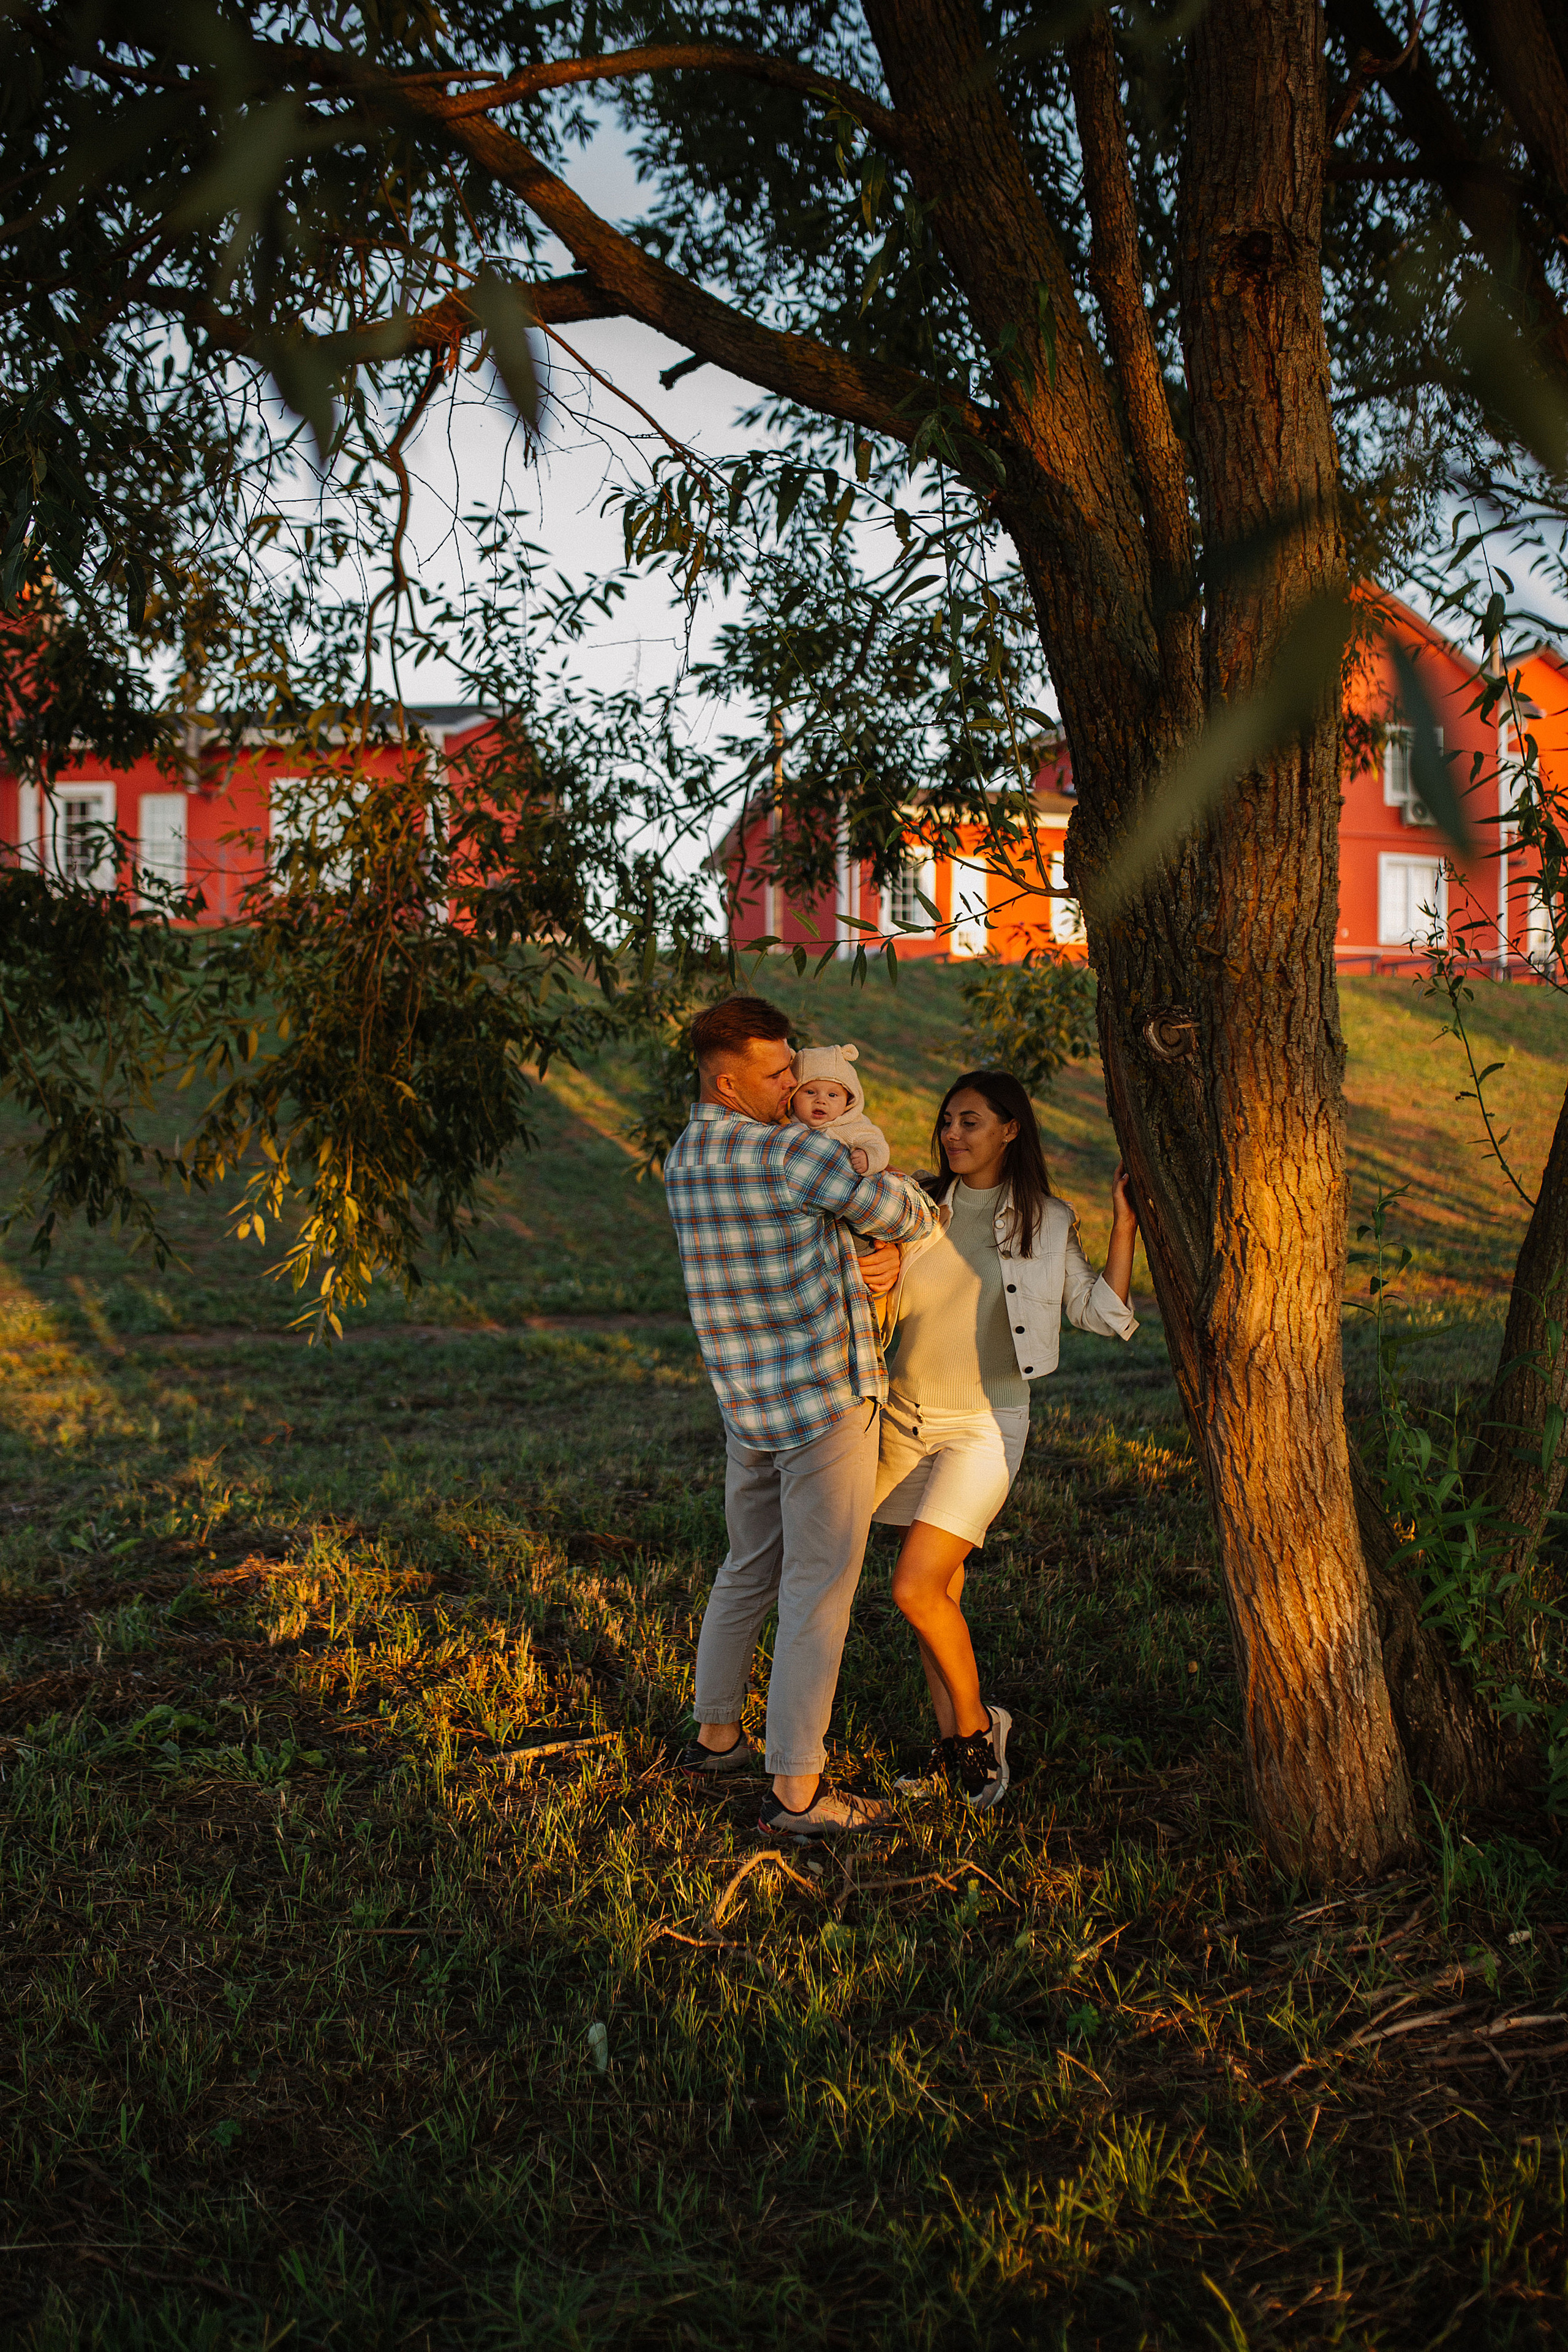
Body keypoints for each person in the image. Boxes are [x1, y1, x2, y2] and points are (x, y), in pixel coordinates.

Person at [663, 995, 937, 1838]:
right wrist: (887, 1225)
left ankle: (716, 1734)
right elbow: (909, 1214)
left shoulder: (682, 1156)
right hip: (823, 1401)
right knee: (817, 1593)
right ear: (729, 1079)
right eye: (778, 1070)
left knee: (746, 1567)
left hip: (746, 1402)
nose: (798, 1080)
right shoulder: (794, 1155)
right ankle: (797, 1791)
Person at [874, 1070, 1139, 1812]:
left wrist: (1123, 1225)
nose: (953, 1135)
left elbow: (1099, 1312)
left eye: (970, 1122)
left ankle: (976, 1733)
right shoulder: (916, 1208)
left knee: (913, 1588)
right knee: (938, 1597)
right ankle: (951, 1747)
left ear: (1009, 1129)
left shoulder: (1045, 1221)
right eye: (947, 1122)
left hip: (987, 1426)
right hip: (901, 1419)